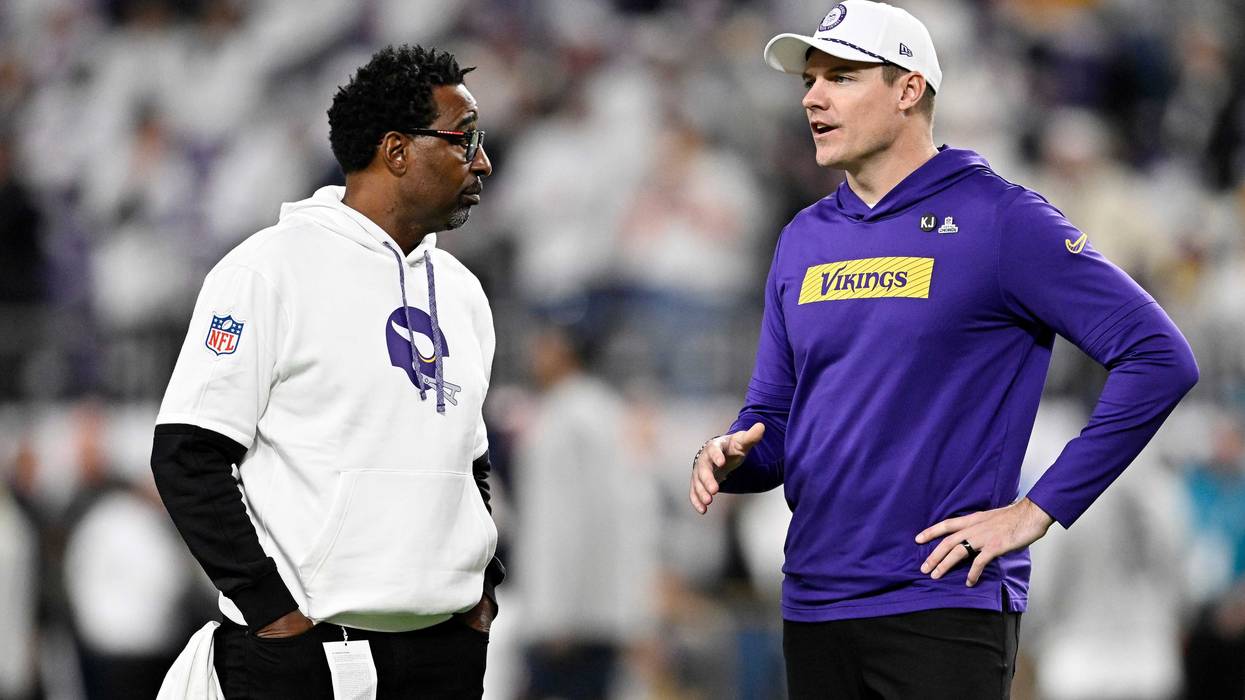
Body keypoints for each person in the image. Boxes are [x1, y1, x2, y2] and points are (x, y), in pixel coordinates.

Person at [687, 2, 1199, 698]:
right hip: (811, 603)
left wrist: (1037, 509)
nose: (811, 96)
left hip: (940, 608)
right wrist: (733, 458)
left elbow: (1158, 357)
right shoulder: (801, 239)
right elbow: (773, 421)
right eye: (809, 79)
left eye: (840, 76)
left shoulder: (1000, 220)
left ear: (907, 90)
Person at [151, 44, 501, 698]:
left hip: (443, 655)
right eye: (465, 139)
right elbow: (187, 454)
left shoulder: (462, 291)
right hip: (311, 653)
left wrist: (480, 595)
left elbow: (470, 461)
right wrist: (271, 615)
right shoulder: (267, 270)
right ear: (396, 151)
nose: (482, 160)